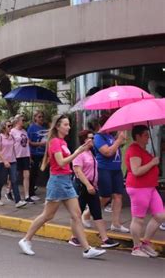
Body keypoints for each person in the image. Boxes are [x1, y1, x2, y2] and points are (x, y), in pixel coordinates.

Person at [18, 114, 106, 259]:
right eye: (65, 124)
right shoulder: (54, 142)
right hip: (58, 181)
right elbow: (61, 162)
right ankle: (25, 240)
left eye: (69, 124)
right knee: (48, 215)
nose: (69, 127)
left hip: (66, 181)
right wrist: (78, 152)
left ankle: (87, 249)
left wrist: (81, 149)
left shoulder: (62, 142)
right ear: (58, 126)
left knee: (77, 215)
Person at [68, 130, 119, 249]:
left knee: (97, 212)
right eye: (91, 138)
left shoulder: (91, 152)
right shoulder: (79, 153)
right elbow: (78, 171)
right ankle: (74, 237)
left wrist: (93, 185)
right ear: (84, 140)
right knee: (77, 213)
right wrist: (88, 185)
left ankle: (105, 239)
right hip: (82, 186)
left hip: (92, 186)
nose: (93, 140)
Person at [125, 125, 164, 258]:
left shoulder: (143, 150)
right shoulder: (134, 150)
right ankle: (136, 247)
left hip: (150, 187)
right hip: (138, 188)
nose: (148, 137)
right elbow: (136, 171)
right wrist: (153, 163)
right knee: (138, 219)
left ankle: (145, 243)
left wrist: (152, 161)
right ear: (138, 136)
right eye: (146, 135)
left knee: (160, 215)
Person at [91, 115, 129, 233]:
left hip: (116, 169)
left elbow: (123, 140)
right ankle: (88, 213)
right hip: (104, 169)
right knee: (105, 196)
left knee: (118, 196)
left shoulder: (111, 136)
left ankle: (116, 223)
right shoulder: (98, 137)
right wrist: (118, 140)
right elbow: (107, 152)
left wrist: (122, 130)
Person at [0, 120, 27, 208]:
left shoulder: (12, 137)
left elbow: (14, 148)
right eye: (8, 126)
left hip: (12, 161)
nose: (10, 127)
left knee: (14, 180)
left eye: (11, 126)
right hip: (2, 162)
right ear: (3, 127)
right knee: (1, 181)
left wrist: (16, 158)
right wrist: (4, 161)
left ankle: (18, 201)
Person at [11, 115, 35, 203]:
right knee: (15, 176)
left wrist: (30, 156)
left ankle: (27, 195)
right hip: (16, 156)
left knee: (27, 175)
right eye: (23, 120)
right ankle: (9, 191)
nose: (24, 122)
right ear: (17, 121)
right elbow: (10, 144)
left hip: (25, 156)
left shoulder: (24, 131)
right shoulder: (12, 131)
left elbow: (27, 144)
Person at [27, 110, 48, 198]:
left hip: (44, 153)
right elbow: (29, 142)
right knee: (33, 173)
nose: (41, 118)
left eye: (42, 116)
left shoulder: (44, 127)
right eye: (39, 117)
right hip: (34, 153)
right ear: (35, 118)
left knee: (45, 172)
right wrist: (40, 144)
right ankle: (31, 193)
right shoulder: (31, 128)